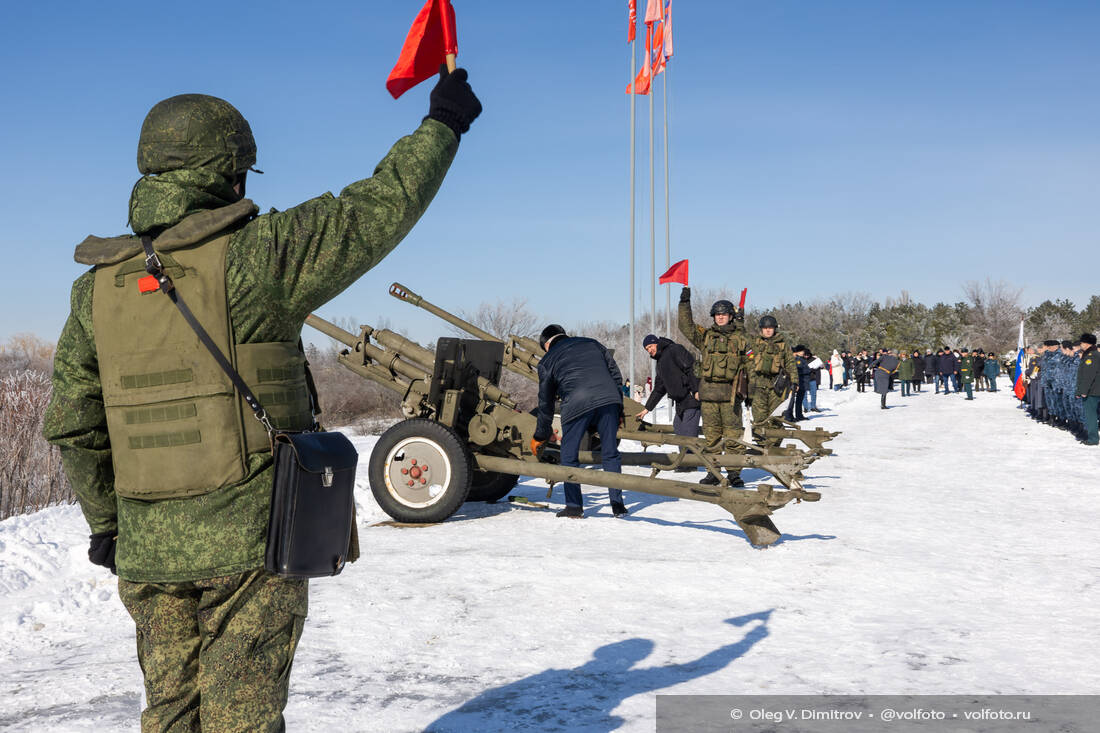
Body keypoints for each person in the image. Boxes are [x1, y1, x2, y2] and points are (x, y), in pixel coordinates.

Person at [42, 77, 481, 731]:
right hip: (249, 544)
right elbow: (377, 207)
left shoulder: (96, 290)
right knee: (242, 718)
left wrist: (109, 525)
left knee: (170, 714)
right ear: (230, 172)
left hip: (147, 550)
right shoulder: (262, 256)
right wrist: (443, 124)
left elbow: (74, 423)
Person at [531, 324, 627, 517]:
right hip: (609, 400)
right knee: (610, 453)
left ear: (547, 344)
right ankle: (618, 505)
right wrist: (619, 409)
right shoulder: (593, 343)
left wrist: (540, 435)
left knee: (569, 456)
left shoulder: (547, 360)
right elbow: (616, 376)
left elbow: (546, 402)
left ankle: (574, 507)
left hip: (576, 404)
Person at [678, 288, 748, 485]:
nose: (720, 317)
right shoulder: (706, 337)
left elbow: (750, 365)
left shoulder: (741, 338)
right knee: (712, 438)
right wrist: (684, 303)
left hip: (731, 396)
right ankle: (713, 472)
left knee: (733, 438)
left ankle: (734, 473)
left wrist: (750, 393)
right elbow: (685, 326)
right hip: (709, 396)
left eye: (724, 314)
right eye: (717, 314)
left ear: (731, 316)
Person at [635, 333, 701, 441]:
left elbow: (691, 368)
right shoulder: (660, 363)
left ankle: (692, 452)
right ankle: (686, 452)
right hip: (680, 404)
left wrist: (696, 390)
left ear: (656, 343)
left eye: (650, 346)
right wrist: (647, 409)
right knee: (678, 429)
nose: (649, 350)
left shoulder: (674, 350)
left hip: (691, 399)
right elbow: (659, 389)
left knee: (688, 438)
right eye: (647, 349)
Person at [748, 316, 797, 445]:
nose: (768, 330)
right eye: (765, 328)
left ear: (775, 328)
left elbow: (790, 363)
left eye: (770, 328)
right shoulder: (755, 343)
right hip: (758, 386)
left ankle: (774, 445)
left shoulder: (783, 344)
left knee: (776, 418)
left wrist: (794, 381)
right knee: (759, 418)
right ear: (761, 329)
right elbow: (748, 362)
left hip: (777, 386)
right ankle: (762, 445)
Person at [1077, 333, 1099, 445]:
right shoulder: (1093, 354)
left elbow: (1088, 376)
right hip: (1094, 390)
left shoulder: (1091, 356)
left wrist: (1083, 391)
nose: (1080, 345)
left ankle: (1093, 439)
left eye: (1081, 342)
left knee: (1091, 416)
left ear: (1086, 344)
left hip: (1092, 391)